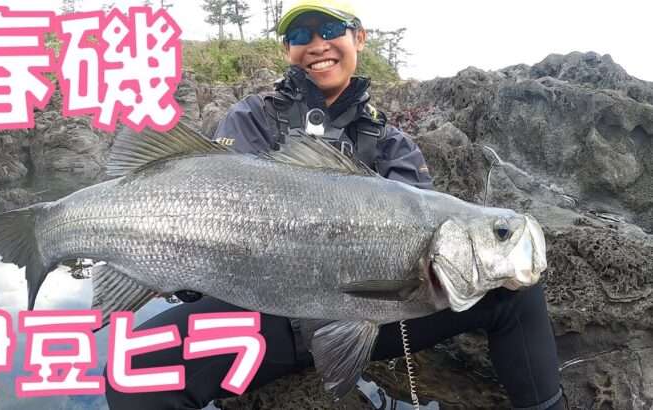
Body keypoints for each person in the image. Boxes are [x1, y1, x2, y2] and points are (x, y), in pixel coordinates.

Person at [104, 1, 563, 409]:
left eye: (331, 28)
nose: (317, 44)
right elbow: (208, 199)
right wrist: (177, 265)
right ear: (287, 49)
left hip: (376, 316)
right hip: (261, 318)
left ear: (358, 37)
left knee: (514, 291)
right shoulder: (250, 117)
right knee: (132, 372)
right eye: (300, 35)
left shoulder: (392, 144)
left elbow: (421, 242)